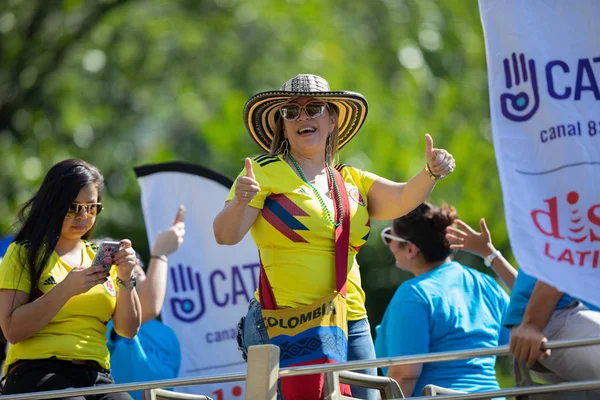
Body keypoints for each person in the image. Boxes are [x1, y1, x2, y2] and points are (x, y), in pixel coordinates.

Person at [213, 74, 455, 399]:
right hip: (285, 322)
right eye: (291, 112)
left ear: (332, 119)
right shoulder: (262, 170)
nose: (303, 117)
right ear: (282, 126)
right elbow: (226, 235)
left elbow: (402, 198)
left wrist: (430, 172)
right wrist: (241, 200)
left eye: (314, 108)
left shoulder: (351, 179)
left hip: (350, 319)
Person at [0, 159, 142, 399]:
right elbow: (12, 330)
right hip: (38, 370)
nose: (83, 216)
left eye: (91, 207)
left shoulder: (101, 257)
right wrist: (66, 289)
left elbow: (128, 330)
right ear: (52, 204)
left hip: (97, 375)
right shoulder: (24, 252)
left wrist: (127, 278)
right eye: (73, 207)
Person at [374, 203, 509, 397]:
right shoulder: (486, 284)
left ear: (411, 250)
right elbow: (511, 339)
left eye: (389, 236)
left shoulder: (413, 294)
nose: (388, 243)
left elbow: (405, 375)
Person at [101, 206, 186, 400]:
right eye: (119, 259)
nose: (134, 264)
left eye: (134, 258)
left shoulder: (167, 334)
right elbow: (145, 310)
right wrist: (161, 253)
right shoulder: (103, 321)